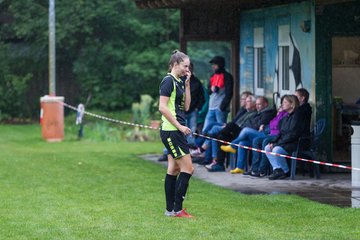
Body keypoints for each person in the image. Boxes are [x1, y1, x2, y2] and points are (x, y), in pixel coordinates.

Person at [159, 50, 194, 218]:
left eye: (188, 67)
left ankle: (169, 210)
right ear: (175, 65)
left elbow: (186, 107)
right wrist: (180, 126)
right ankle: (178, 209)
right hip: (172, 131)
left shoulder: (180, 81)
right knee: (188, 168)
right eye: (185, 66)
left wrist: (187, 85)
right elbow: (162, 107)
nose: (187, 70)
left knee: (173, 169)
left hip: (177, 129)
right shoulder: (168, 81)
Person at [219, 97, 276, 173]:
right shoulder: (259, 113)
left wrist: (261, 126)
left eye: (259, 104)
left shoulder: (269, 112)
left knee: (245, 130)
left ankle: (232, 145)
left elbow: (259, 124)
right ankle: (240, 167)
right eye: (256, 104)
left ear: (265, 104)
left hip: (263, 135)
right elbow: (253, 123)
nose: (257, 106)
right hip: (256, 134)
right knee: (242, 143)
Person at [265, 95, 303, 180]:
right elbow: (280, 133)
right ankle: (277, 170)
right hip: (284, 142)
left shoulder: (297, 116)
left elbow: (293, 135)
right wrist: (273, 142)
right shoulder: (285, 117)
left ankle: (285, 171)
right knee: (267, 148)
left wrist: (277, 144)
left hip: (294, 143)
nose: (282, 104)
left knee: (276, 150)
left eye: (285, 102)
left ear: (292, 104)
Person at [201, 56, 233, 134]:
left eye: (215, 64)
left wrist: (222, 107)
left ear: (220, 65)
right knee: (205, 130)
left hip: (220, 109)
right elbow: (208, 91)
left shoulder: (227, 76)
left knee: (220, 130)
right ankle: (204, 146)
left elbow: (229, 93)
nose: (213, 66)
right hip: (211, 107)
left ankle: (218, 146)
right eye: (213, 64)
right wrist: (211, 89)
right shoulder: (213, 76)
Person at [185, 63, 205, 148]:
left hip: (193, 111)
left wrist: (198, 108)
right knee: (183, 131)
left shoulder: (197, 82)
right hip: (182, 111)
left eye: (190, 68)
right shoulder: (179, 80)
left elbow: (202, 97)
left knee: (192, 131)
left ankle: (191, 150)